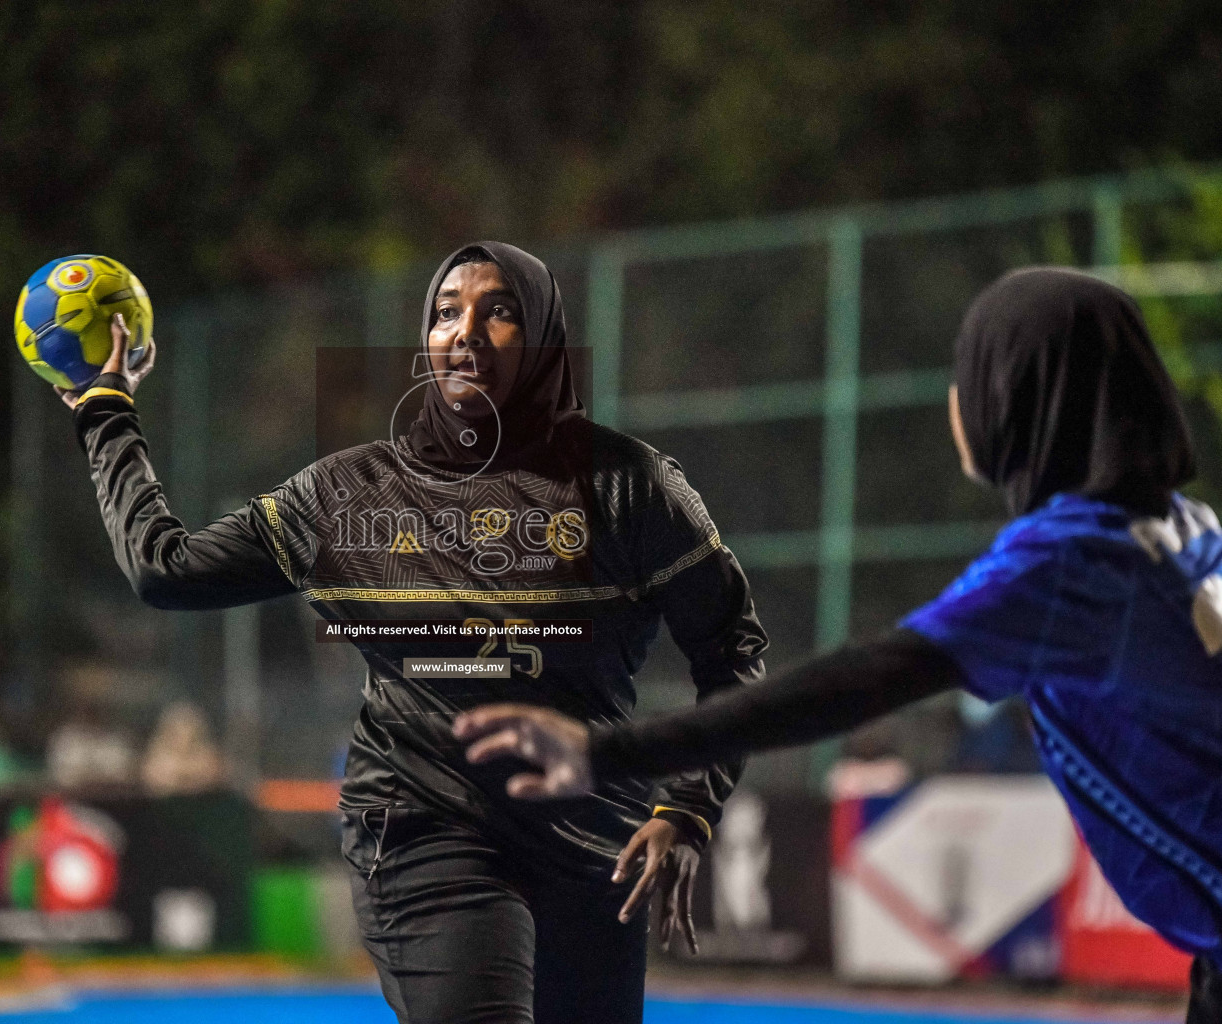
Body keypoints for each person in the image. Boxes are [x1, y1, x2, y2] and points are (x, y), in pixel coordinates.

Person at [453, 267, 1222, 1023]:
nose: (958, 400)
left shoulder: (1073, 564)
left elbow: (861, 681)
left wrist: (606, 754)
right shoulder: (1190, 531)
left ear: (1015, 396)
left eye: (970, 372)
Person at [63, 242, 768, 1023]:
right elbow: (167, 568)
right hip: (423, 827)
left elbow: (732, 650)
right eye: (443, 313)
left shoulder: (632, 489)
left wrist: (689, 807)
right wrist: (106, 413)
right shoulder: (343, 499)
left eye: (498, 311)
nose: (463, 331)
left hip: (593, 842)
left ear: (543, 340)